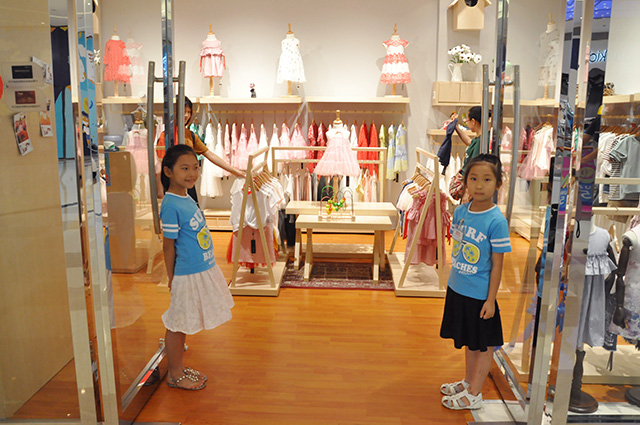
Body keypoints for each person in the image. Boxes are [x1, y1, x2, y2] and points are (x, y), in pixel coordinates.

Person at [439, 154, 512, 410]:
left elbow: (498, 265)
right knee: (469, 341)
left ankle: (475, 394)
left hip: (480, 295)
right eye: (473, 178)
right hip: (458, 288)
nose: (479, 185)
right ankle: (468, 382)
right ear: (466, 181)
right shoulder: (461, 211)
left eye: (487, 179)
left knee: (483, 345)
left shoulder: (497, 221)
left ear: (498, 183)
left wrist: (490, 300)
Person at [159, 144, 235, 390]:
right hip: (186, 273)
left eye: (195, 167)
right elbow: (168, 245)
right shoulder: (170, 204)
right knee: (177, 323)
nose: (192, 173)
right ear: (168, 171)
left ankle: (178, 368)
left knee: (183, 321)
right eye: (184, 168)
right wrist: (172, 277)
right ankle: (174, 373)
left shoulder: (186, 197)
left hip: (199, 269)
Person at [157, 96, 244, 203]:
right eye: (183, 112)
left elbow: (210, 155)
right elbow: (160, 165)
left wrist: (235, 171)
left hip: (188, 183)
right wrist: (160, 189)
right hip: (173, 186)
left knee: (193, 211)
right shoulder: (166, 136)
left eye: (189, 112)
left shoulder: (190, 135)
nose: (186, 115)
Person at [454, 105, 484, 175]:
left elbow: (473, 167)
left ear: (473, 121)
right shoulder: (479, 139)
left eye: (467, 121)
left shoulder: (480, 142)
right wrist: (456, 127)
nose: (467, 124)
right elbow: (469, 142)